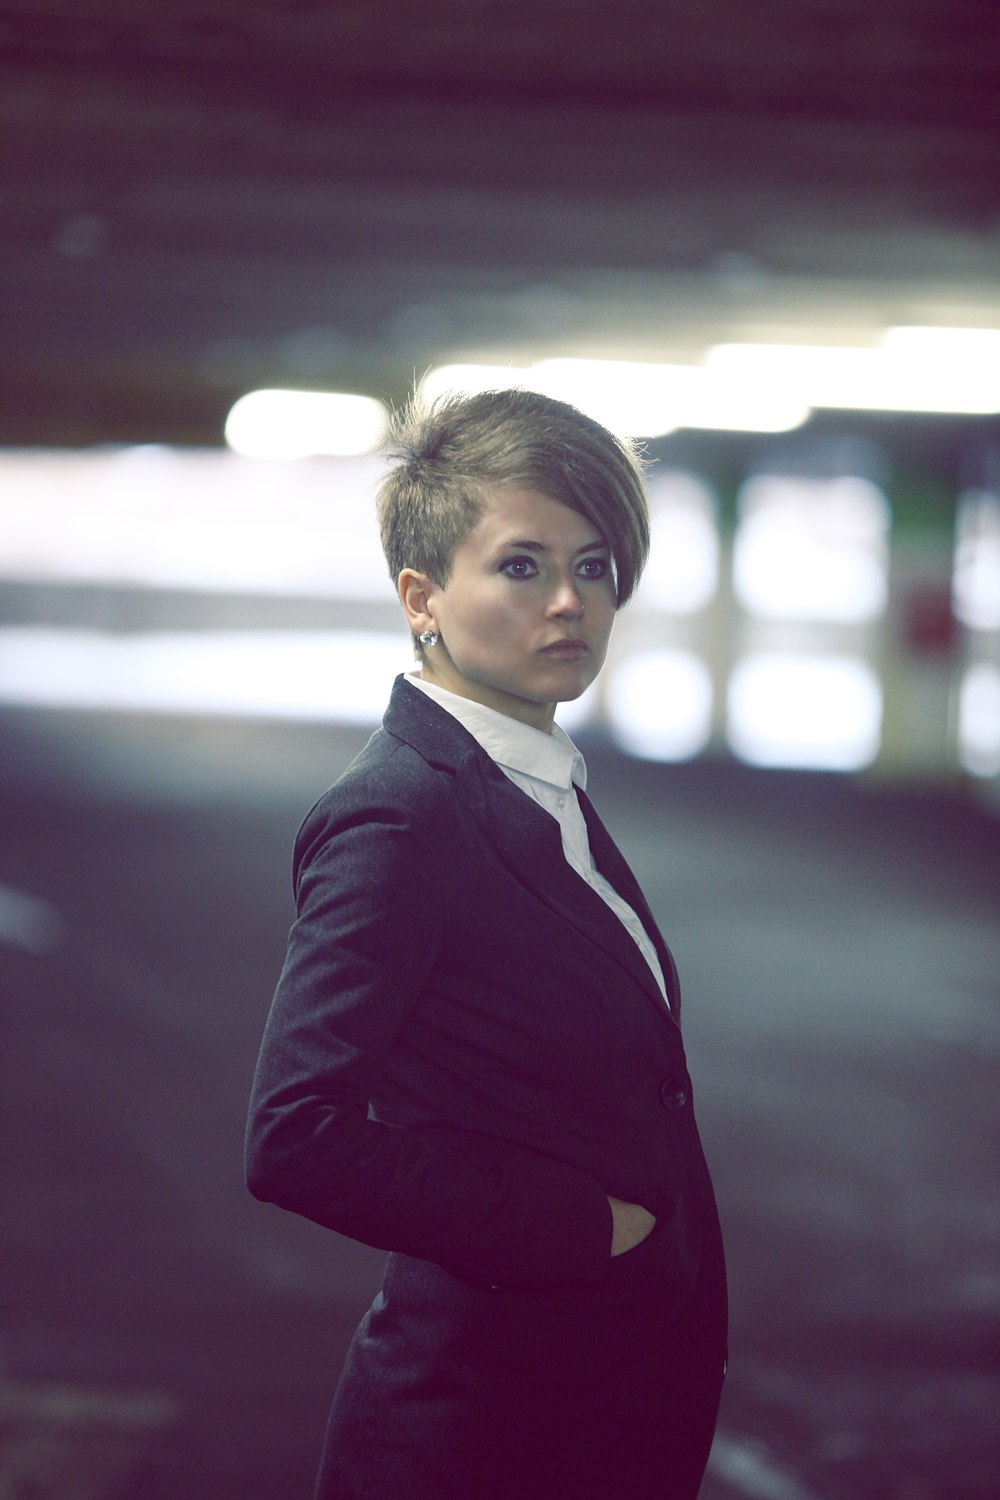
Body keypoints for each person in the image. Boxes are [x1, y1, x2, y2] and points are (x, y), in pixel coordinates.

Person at [245, 388, 727, 1499]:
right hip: (482, 1431)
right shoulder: (401, 814)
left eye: (593, 566)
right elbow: (295, 1135)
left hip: (595, 1411)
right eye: (521, 566)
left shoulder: (536, 786)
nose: (570, 602)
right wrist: (578, 1227)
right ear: (422, 597)